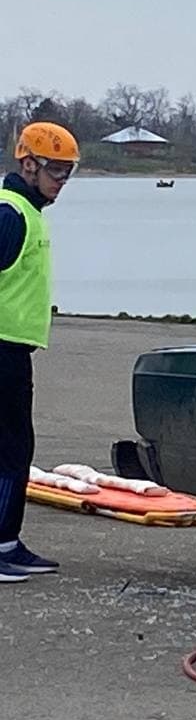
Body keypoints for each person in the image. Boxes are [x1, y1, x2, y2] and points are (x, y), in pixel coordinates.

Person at [0, 122, 80, 583]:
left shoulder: (29, 212)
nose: (61, 181)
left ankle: (8, 541)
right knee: (9, 450)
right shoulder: (10, 213)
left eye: (68, 173)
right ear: (27, 163)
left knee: (15, 447)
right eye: (55, 170)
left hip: (14, 351)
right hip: (1, 351)